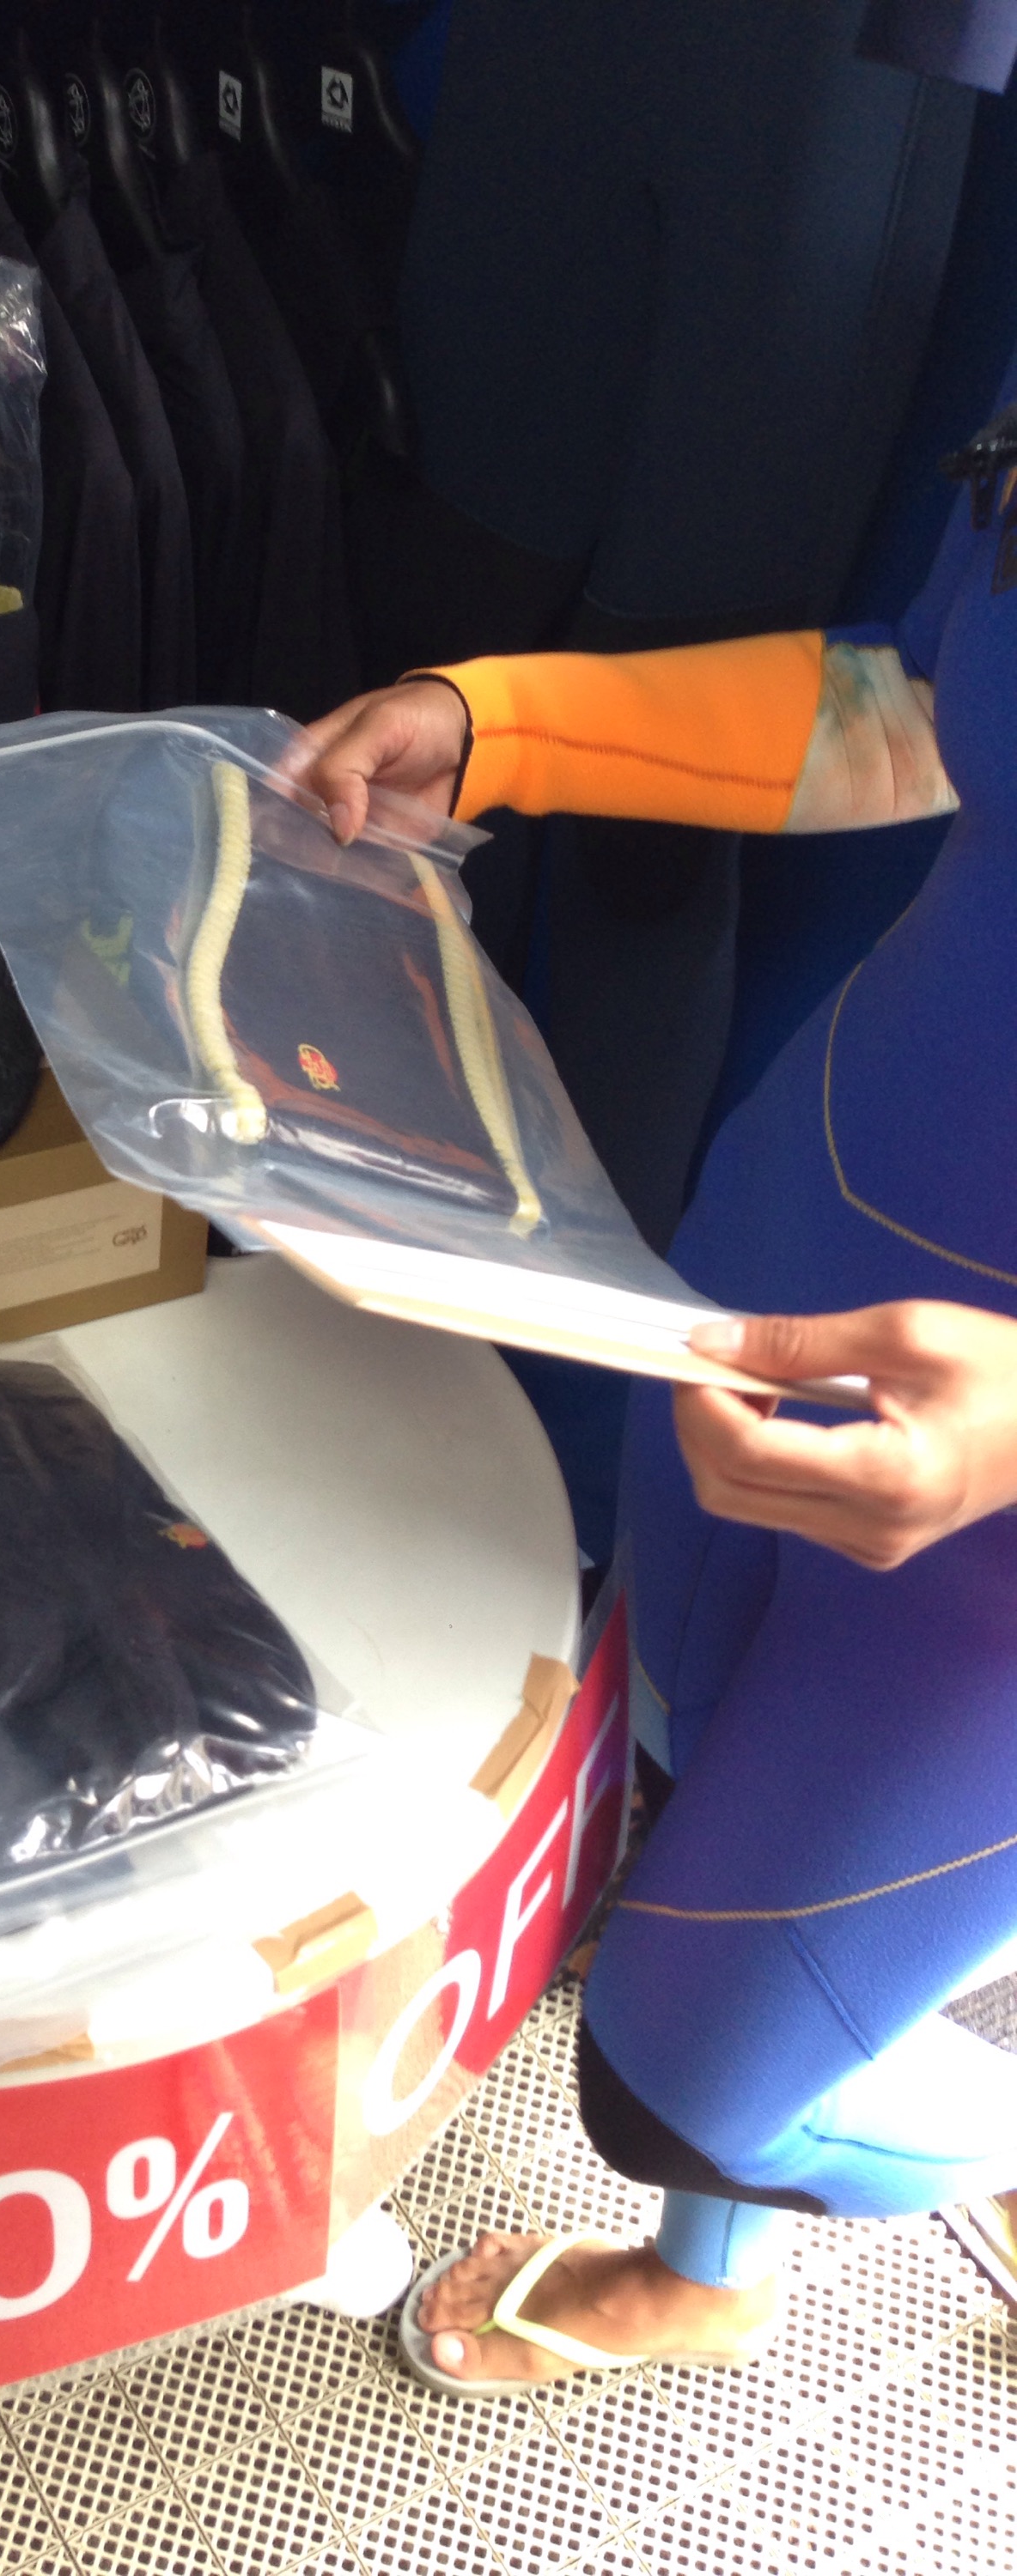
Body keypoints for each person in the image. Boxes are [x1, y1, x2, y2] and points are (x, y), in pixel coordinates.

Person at [289, 411, 1017, 2386]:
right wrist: (505, 725)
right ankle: (714, 2271)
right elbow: (917, 710)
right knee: (677, 1744)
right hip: (798, 1231)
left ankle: (753, 2208)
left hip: (995, 1559)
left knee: (686, 2077)